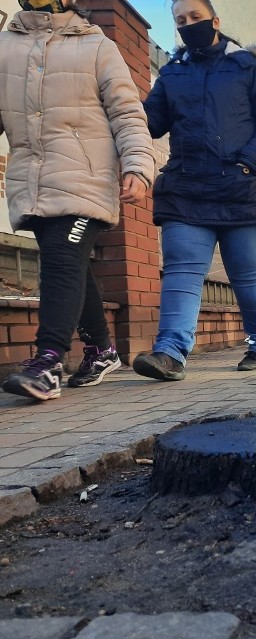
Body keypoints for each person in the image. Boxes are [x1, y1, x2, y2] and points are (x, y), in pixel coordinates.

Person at [0, 0, 155, 401]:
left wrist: (138, 166)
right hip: (33, 180)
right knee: (70, 264)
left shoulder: (97, 46)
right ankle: (102, 350)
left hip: (87, 176)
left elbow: (127, 113)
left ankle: (48, 361)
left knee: (61, 261)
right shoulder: (5, 46)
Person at [132, 0, 256, 381]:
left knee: (247, 274)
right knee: (182, 271)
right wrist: (121, 98)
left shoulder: (246, 65)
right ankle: (170, 352)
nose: (188, 25)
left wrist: (250, 163)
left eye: (195, 17)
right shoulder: (172, 74)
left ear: (215, 21)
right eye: (180, 21)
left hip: (243, 188)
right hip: (187, 189)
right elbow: (152, 123)